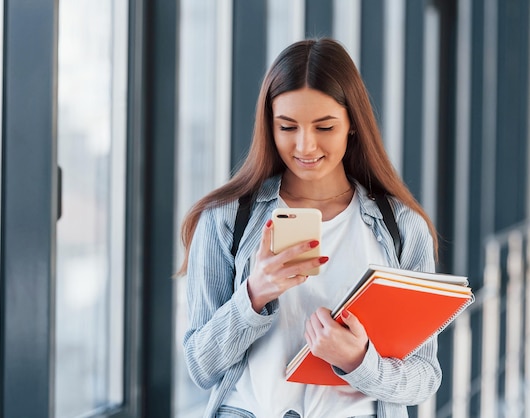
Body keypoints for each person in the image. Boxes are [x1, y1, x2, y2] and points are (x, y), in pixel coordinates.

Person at [178, 38, 441, 418]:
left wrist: (358, 361)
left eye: (324, 126)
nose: (305, 145)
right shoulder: (225, 219)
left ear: (352, 124)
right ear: (270, 126)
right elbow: (201, 366)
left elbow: (425, 378)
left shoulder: (401, 227)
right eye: (287, 127)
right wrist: (252, 296)